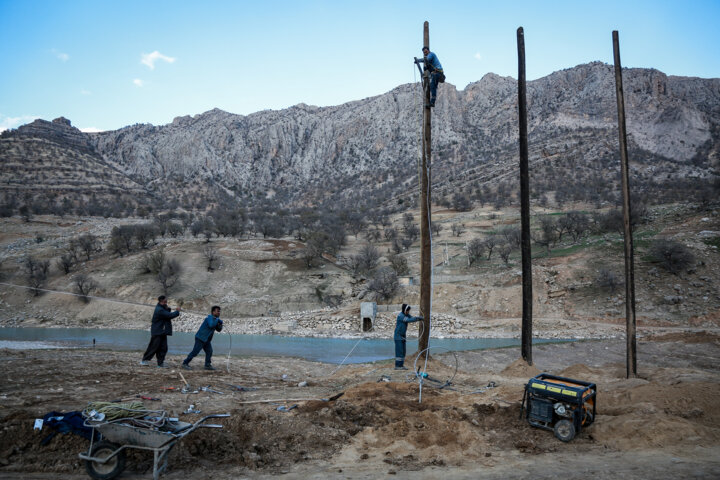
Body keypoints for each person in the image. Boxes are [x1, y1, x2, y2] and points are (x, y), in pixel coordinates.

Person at [140, 295, 181, 368]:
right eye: (166, 301)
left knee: (163, 348)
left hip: (162, 332)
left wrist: (168, 308)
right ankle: (144, 360)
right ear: (162, 301)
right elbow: (169, 315)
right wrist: (177, 311)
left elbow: (167, 312)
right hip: (157, 332)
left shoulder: (161, 308)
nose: (167, 303)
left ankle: (160, 363)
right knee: (153, 347)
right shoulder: (159, 310)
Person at [182, 305, 223, 371]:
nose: (219, 313)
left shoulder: (215, 320)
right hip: (200, 338)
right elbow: (211, 325)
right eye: (217, 311)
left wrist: (220, 324)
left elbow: (219, 330)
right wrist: (218, 320)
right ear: (213, 312)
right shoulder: (209, 318)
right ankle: (185, 363)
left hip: (206, 340)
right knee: (195, 352)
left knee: (209, 351)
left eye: (219, 311)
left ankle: (207, 365)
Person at [394, 303, 423, 370]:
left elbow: (411, 318)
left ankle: (401, 365)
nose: (408, 312)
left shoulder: (406, 314)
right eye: (407, 310)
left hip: (402, 336)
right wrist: (418, 318)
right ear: (405, 310)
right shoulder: (401, 316)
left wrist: (418, 318)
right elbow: (409, 320)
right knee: (399, 351)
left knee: (403, 351)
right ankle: (398, 366)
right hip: (398, 336)